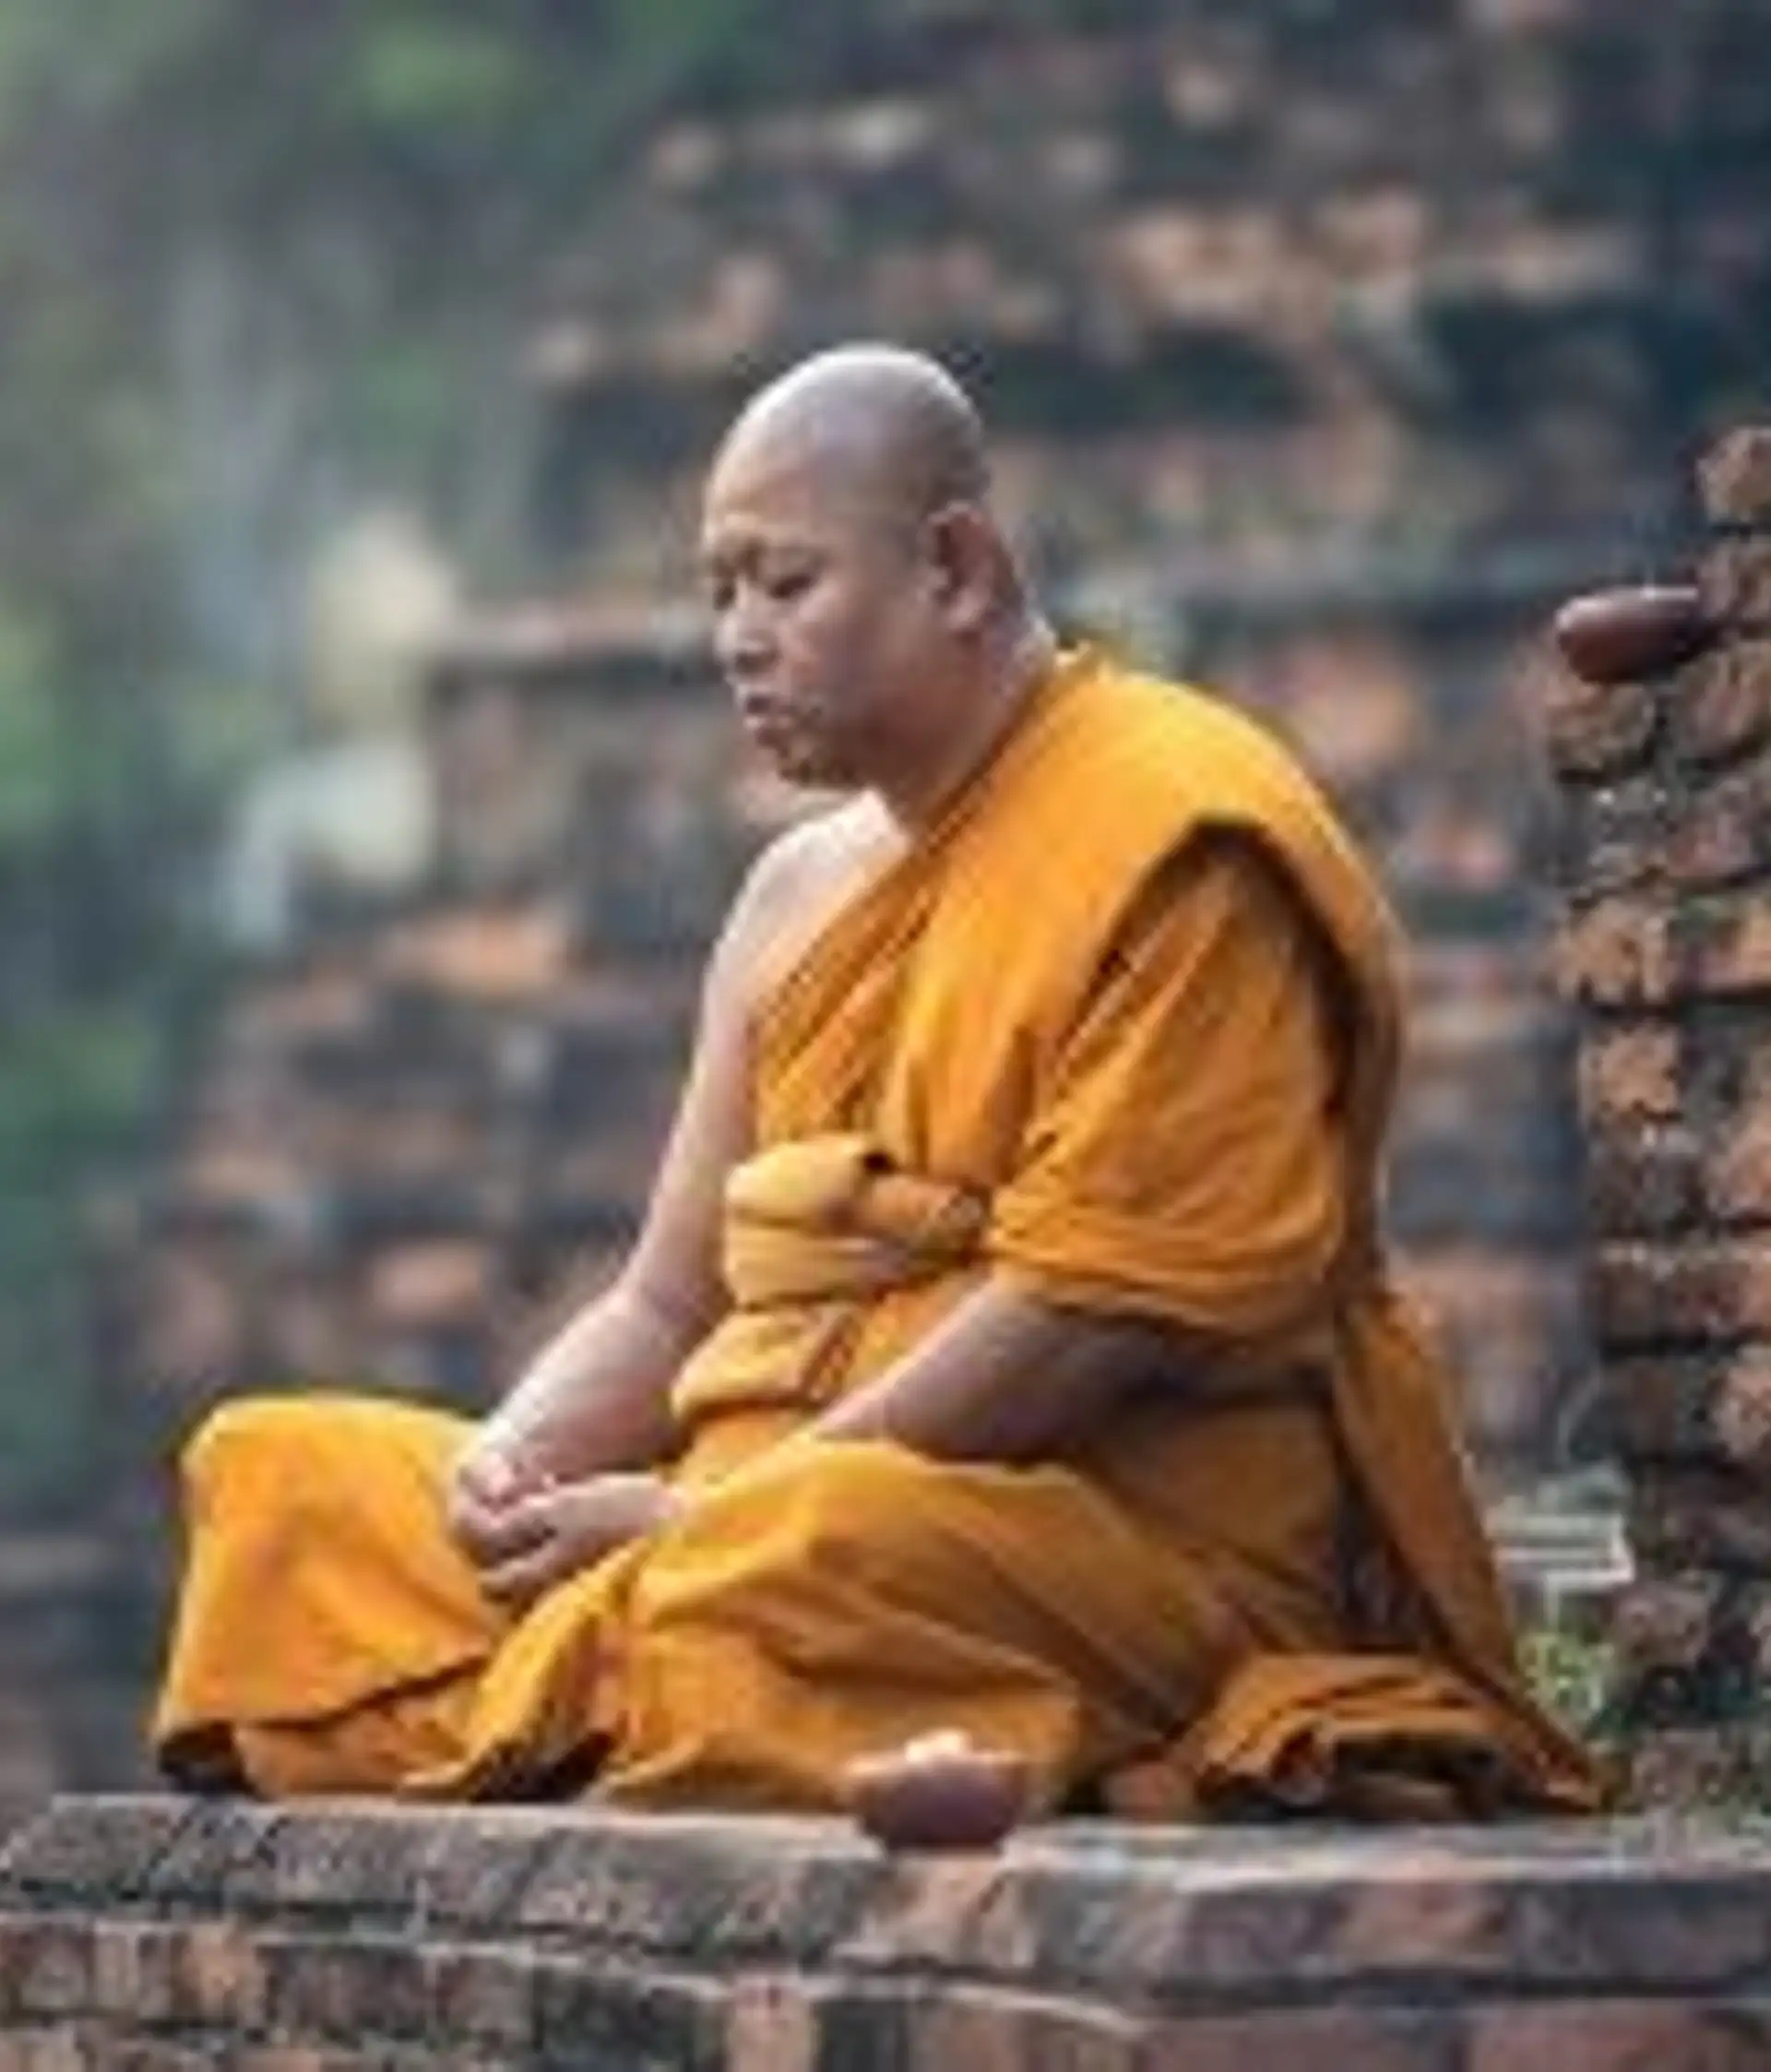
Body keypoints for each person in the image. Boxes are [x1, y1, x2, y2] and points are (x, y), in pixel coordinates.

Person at [153, 344, 1600, 1816]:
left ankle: (585, 1678)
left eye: (787, 584)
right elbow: (666, 1301)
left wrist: (703, 1517)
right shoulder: (792, 894)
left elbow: (1087, 1319)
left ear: (957, 570)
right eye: (719, 591)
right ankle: (597, 1674)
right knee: (280, 1479)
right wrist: (515, 1463)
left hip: (1087, 1535)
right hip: (746, 1505)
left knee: (795, 1565)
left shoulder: (1178, 834)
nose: (739, 638)